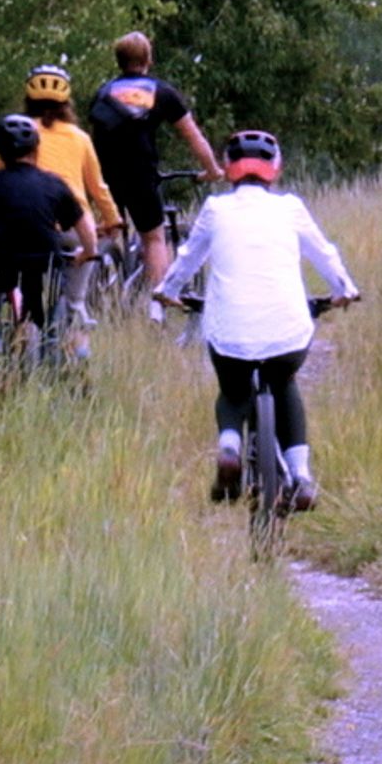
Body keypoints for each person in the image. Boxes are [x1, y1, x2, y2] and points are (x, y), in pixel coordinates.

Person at [150, 129, 358, 508]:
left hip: (230, 333)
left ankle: (229, 446)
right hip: (287, 332)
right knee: (284, 382)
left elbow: (187, 259)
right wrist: (345, 289)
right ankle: (302, 476)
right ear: (274, 169)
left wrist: (165, 291)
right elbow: (324, 254)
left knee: (233, 390)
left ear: (228, 167)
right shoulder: (291, 208)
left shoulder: (215, 209)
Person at [0, 112, 90, 345]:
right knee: (49, 306)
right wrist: (88, 251)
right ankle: (51, 341)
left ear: (0, 152)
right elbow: (84, 226)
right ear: (36, 148)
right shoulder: (54, 184)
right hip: (45, 261)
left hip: (0, 260)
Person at [79, 40, 213, 261]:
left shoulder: (103, 92)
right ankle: (156, 295)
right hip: (140, 174)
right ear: (148, 60)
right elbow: (193, 136)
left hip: (104, 174)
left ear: (119, 61)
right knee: (153, 239)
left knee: (107, 230)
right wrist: (212, 169)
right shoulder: (162, 91)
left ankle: (93, 282)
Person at [18, 61, 118, 246]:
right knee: (81, 259)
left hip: (26, 224)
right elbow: (98, 187)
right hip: (73, 225)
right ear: (66, 104)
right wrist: (112, 219)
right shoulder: (80, 138)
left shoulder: (16, 136)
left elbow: (0, 178)